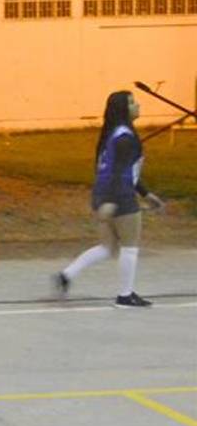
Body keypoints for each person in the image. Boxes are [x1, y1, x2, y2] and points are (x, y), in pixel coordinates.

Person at [55, 90, 164, 307]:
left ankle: (67, 275)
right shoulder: (126, 138)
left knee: (107, 247)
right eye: (132, 103)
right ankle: (125, 295)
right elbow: (120, 173)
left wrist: (146, 194)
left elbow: (121, 171)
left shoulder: (111, 135)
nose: (138, 106)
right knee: (130, 246)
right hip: (119, 196)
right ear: (124, 109)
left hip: (101, 193)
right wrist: (112, 202)